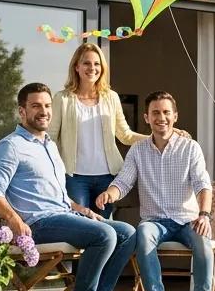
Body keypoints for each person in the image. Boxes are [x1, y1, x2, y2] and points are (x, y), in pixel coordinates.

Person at [0, 82, 137, 291]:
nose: (43, 111)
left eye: (46, 105)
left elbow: (60, 197)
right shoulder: (10, 146)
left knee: (127, 233)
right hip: (36, 225)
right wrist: (13, 219)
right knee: (104, 235)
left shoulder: (50, 145)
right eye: (35, 106)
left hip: (63, 215)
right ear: (22, 112)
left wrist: (83, 210)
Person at [96, 91, 215, 291]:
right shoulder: (138, 150)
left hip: (187, 219)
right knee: (142, 233)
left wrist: (204, 215)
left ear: (175, 116)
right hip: (155, 222)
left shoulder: (190, 148)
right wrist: (109, 193)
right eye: (155, 113)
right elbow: (123, 181)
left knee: (203, 238)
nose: (161, 117)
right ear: (146, 118)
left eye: (165, 112)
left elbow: (203, 185)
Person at [49, 43, 146, 220]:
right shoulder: (62, 99)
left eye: (97, 64)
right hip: (74, 177)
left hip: (107, 177)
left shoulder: (111, 97)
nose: (92, 68)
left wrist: (159, 137)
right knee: (80, 226)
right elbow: (50, 138)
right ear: (76, 67)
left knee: (105, 227)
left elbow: (125, 135)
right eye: (86, 63)